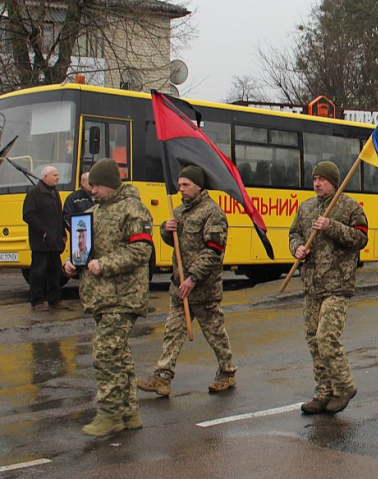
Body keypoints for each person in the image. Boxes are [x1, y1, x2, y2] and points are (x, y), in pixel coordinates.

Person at [62, 158, 154, 437]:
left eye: (97, 186)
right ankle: (129, 413)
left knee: (104, 353)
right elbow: (86, 248)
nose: (93, 191)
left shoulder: (133, 210)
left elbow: (141, 252)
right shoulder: (94, 212)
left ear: (110, 185)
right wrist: (73, 262)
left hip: (124, 296)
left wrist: (105, 264)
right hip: (101, 296)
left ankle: (109, 414)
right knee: (120, 356)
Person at [137, 166, 236, 397]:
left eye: (185, 185)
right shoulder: (180, 211)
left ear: (198, 186)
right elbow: (176, 242)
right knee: (172, 332)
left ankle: (228, 372)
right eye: (179, 184)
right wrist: (165, 229)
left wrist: (193, 277)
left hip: (203, 289)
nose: (180, 189)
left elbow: (214, 251)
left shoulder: (213, 213)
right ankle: (162, 377)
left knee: (215, 334)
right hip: (179, 288)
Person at [289, 161, 368, 414]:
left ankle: (344, 386)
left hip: (337, 284)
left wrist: (330, 226)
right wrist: (297, 248)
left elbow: (361, 238)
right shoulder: (306, 208)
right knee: (313, 341)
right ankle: (323, 392)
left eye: (322, 179)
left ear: (334, 182)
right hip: (312, 284)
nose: (316, 183)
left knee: (326, 337)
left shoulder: (349, 207)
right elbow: (294, 234)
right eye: (314, 179)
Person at [23, 165, 67, 311]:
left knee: (55, 272)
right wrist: (43, 232)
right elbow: (28, 215)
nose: (58, 177)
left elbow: (59, 215)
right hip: (41, 242)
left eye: (57, 175)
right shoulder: (34, 193)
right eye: (55, 175)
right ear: (45, 177)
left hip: (54, 241)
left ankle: (55, 299)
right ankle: (37, 301)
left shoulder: (55, 192)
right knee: (38, 272)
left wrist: (63, 234)